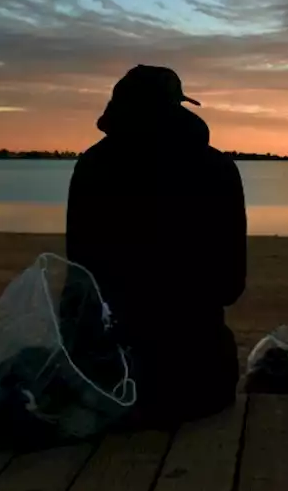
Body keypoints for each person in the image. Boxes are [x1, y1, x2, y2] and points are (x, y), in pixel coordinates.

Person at [65, 65, 247, 426]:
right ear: (179, 106)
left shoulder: (92, 167)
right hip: (200, 384)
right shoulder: (218, 169)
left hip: (112, 383)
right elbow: (231, 286)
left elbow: (80, 273)